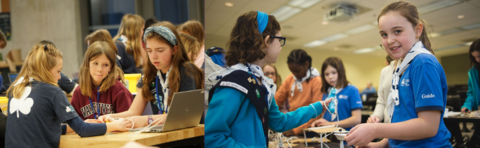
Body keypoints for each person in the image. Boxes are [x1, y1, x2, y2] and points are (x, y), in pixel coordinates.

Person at [205, 11, 330, 148]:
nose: (280, 46)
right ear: (266, 41)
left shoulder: (261, 83)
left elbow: (279, 122)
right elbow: (212, 138)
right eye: (279, 40)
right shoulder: (233, 83)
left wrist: (316, 107)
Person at [344, 1, 452, 147]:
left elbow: (428, 126)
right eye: (384, 34)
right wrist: (379, 145)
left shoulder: (423, 63)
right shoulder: (402, 66)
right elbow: (405, 118)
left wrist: (375, 129)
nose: (389, 40)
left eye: (397, 31)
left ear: (417, 30)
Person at [4, 41, 130, 147]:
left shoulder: (15, 88)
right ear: (46, 71)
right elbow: (82, 130)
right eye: (58, 71)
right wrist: (114, 125)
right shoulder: (53, 92)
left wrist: (84, 123)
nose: (59, 77)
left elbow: (45, 129)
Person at [96, 21, 204, 128]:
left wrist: (147, 120)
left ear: (174, 50)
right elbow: (133, 113)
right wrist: (108, 118)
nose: (154, 56)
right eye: (149, 50)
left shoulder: (187, 70)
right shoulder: (148, 76)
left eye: (160, 50)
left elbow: (184, 115)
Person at [71, 41, 133, 120]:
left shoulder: (119, 90)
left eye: (105, 65)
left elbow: (129, 121)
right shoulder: (78, 92)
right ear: (87, 64)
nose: (99, 69)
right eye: (95, 63)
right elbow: (73, 122)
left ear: (110, 67)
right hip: (88, 132)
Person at [274, 49, 323, 136]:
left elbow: (317, 111)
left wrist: (296, 130)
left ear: (306, 64)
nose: (295, 74)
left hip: (308, 130)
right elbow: (277, 99)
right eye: (292, 71)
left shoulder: (316, 81)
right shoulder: (290, 79)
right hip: (292, 124)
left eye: (297, 71)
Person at [311, 57, 362, 132]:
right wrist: (319, 121)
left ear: (341, 72)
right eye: (326, 74)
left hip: (346, 136)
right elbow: (325, 116)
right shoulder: (326, 92)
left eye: (334, 73)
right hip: (328, 135)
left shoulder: (352, 90)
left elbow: (357, 119)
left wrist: (330, 124)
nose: (330, 77)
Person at [460, 38, 480, 147]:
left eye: (479, 56)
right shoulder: (473, 72)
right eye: (474, 57)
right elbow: (471, 93)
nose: (477, 60)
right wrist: (467, 105)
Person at [367, 55, 395, 123]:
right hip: (388, 125)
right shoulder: (385, 71)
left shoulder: (416, 66)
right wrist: (376, 116)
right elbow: (382, 101)